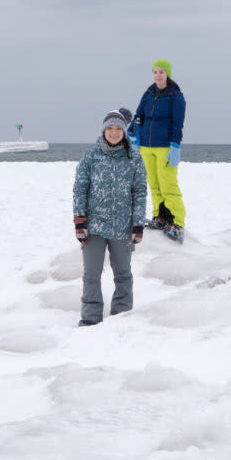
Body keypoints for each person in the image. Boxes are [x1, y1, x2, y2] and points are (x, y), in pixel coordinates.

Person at [72, 108, 148, 326]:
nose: (114, 133)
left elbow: (140, 192)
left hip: (122, 227)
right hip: (94, 226)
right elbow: (80, 189)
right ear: (104, 130)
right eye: (110, 128)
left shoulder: (134, 157)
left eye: (118, 129)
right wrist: (79, 220)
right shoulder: (91, 156)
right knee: (91, 274)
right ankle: (90, 318)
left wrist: (137, 224)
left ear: (124, 131)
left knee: (123, 274)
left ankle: (122, 317)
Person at [127, 58, 187, 242]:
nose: (158, 75)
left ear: (167, 74)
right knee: (153, 183)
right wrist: (132, 134)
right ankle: (159, 217)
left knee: (167, 183)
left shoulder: (176, 96)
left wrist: (175, 145)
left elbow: (178, 123)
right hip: (146, 146)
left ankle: (177, 221)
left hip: (165, 147)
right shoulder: (148, 94)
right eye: (155, 72)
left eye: (161, 72)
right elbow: (139, 116)